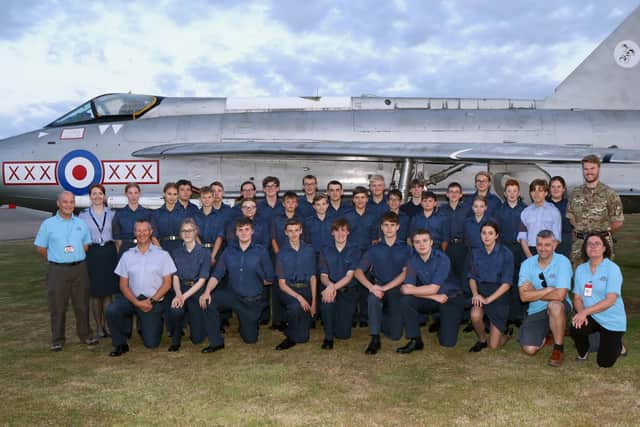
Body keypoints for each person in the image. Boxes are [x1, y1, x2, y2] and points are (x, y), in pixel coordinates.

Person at [199, 218, 274, 353]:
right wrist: (207, 291)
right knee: (208, 301)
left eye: (247, 230)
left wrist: (260, 275)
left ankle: (247, 322)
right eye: (240, 230)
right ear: (236, 233)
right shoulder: (229, 251)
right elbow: (217, 274)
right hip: (232, 296)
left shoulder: (261, 251)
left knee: (250, 339)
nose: (244, 233)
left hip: (251, 300)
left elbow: (269, 279)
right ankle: (216, 342)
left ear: (252, 232)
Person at [35, 191, 97, 351]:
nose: (68, 205)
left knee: (82, 304)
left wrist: (73, 256)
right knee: (58, 305)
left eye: (71, 202)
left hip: (79, 268)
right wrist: (57, 257)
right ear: (58, 204)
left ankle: (86, 335)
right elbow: (41, 247)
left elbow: (86, 245)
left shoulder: (81, 223)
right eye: (65, 202)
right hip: (58, 270)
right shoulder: (48, 224)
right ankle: (57, 339)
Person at [107, 219, 177, 356]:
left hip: (153, 301)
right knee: (112, 310)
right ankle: (120, 344)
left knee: (152, 344)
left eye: (145, 230)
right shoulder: (127, 255)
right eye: (138, 230)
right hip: (132, 299)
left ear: (151, 232)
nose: (141, 233)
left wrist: (150, 301)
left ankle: (149, 322)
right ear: (134, 233)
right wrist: (137, 302)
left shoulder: (162, 255)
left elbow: (167, 283)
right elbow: (123, 284)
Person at [397, 229, 465, 353]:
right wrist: (433, 297)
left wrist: (412, 290)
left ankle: (441, 322)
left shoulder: (442, 258)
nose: (421, 245)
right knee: (406, 300)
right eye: (417, 242)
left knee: (447, 343)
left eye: (424, 241)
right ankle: (415, 340)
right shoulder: (412, 261)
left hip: (451, 298)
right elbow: (407, 288)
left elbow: (433, 288)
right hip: (432, 297)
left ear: (431, 242)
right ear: (413, 244)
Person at [355, 212, 412, 355]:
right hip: (378, 287)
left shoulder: (406, 249)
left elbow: (406, 273)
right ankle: (375, 339)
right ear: (381, 227)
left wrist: (385, 288)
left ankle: (384, 315)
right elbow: (358, 272)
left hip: (395, 290)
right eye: (386, 225)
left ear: (398, 227)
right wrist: (371, 287)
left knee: (395, 335)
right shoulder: (374, 249)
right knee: (372, 299)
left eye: (392, 225)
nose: (389, 229)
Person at [570, 233, 627, 367]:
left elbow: (611, 300)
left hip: (611, 319)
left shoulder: (612, 269)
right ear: (585, 249)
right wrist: (581, 313)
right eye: (589, 244)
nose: (593, 246)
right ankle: (583, 353)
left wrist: (585, 312)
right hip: (591, 316)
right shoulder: (580, 269)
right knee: (576, 326)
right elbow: (577, 298)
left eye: (597, 244)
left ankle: (618, 345)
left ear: (604, 248)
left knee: (604, 363)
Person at [517, 230, 573, 367]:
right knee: (529, 349)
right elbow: (523, 296)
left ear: (554, 245)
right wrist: (548, 290)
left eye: (547, 245)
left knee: (554, 305)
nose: (543, 248)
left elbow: (560, 295)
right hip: (536, 310)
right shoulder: (527, 264)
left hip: (559, 307)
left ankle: (558, 349)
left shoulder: (563, 261)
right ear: (535, 245)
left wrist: (534, 292)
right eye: (539, 244)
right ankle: (548, 332)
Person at [567, 154, 624, 265]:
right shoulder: (575, 193)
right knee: (579, 279)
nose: (589, 172)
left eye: (592, 168)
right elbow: (570, 217)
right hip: (580, 246)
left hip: (601, 246)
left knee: (601, 279)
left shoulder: (609, 194)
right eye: (586, 169)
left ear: (598, 168)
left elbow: (618, 222)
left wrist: (600, 234)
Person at [78, 184, 119, 338]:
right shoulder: (83, 216)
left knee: (108, 293)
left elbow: (116, 237)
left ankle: (108, 325)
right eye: (94, 194)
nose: (97, 196)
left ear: (104, 196)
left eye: (100, 194)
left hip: (109, 252)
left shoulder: (112, 214)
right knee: (96, 294)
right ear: (90, 196)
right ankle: (99, 327)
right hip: (93, 253)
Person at [467, 221, 514, 352]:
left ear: (496, 235)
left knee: (494, 346)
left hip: (499, 295)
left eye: (490, 233)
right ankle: (482, 340)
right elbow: (471, 277)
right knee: (475, 315)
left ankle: (506, 335)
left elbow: (507, 284)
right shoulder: (476, 252)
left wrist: (488, 300)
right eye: (484, 233)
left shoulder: (506, 253)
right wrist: (476, 294)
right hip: (481, 292)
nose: (486, 236)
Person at [167, 219, 211, 351]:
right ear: (180, 234)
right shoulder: (175, 252)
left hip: (197, 290)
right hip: (180, 288)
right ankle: (176, 338)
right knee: (176, 309)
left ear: (195, 232)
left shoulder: (204, 252)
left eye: (190, 231)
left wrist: (184, 297)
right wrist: (178, 294)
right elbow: (175, 276)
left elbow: (202, 280)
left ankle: (194, 325)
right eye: (184, 231)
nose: (187, 234)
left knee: (197, 339)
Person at [274, 219, 317, 350]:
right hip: (289, 290)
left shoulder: (309, 250)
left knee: (303, 338)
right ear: (286, 233)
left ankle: (288, 327)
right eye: (290, 231)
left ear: (301, 231)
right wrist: (299, 298)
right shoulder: (281, 253)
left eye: (296, 230)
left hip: (306, 289)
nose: (293, 234)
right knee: (296, 307)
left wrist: (314, 302)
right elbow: (281, 284)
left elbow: (313, 277)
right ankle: (290, 338)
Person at [318, 218, 360, 349]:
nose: (340, 234)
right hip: (330, 286)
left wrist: (332, 287)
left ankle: (336, 321)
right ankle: (328, 337)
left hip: (347, 291)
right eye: (336, 231)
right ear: (332, 233)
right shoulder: (325, 249)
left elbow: (349, 276)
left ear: (348, 232)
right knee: (327, 300)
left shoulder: (355, 249)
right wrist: (330, 287)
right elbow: (323, 276)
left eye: (343, 230)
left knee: (344, 334)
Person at [344, 186, 378, 326]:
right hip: (351, 254)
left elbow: (376, 239)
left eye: (363, 197)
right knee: (351, 287)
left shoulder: (373, 215)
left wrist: (372, 260)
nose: (360, 200)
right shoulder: (347, 215)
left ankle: (364, 317)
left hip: (367, 255)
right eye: (357, 197)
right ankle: (351, 316)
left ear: (367, 199)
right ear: (353, 199)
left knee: (365, 286)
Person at [495, 179, 527, 326]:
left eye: (515, 191)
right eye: (509, 191)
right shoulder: (499, 210)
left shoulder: (526, 209)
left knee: (520, 281)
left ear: (519, 192)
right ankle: (507, 315)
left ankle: (519, 314)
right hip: (505, 249)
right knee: (507, 281)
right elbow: (496, 232)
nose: (512, 194)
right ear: (505, 193)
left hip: (521, 248)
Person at [517, 179, 562, 258]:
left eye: (540, 190)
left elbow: (556, 237)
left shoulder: (554, 211)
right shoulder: (525, 212)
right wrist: (530, 257)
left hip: (549, 251)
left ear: (546, 193)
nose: (536, 194)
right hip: (530, 251)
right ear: (530, 193)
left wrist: (548, 256)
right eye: (533, 190)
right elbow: (522, 237)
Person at [440, 182, 471, 287]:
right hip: (446, 246)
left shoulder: (467, 209)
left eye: (457, 192)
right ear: (447, 194)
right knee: (447, 275)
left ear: (461, 195)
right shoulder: (441, 209)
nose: (454, 194)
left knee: (463, 274)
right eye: (451, 192)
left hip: (463, 247)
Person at [112, 182, 151, 257]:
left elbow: (151, 234)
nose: (133, 196)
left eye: (136, 193)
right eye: (130, 193)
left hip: (144, 248)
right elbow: (117, 238)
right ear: (126, 194)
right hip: (126, 249)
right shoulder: (119, 214)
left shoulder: (147, 213)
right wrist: (124, 250)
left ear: (139, 194)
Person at [151, 182, 187, 253]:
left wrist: (184, 249)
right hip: (162, 248)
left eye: (175, 194)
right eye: (169, 194)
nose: (172, 197)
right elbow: (153, 236)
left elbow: (189, 233)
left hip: (181, 248)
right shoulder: (156, 214)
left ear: (178, 195)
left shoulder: (184, 213)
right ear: (164, 194)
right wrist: (160, 251)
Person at [195, 187, 225, 266]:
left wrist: (212, 256)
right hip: (199, 251)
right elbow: (195, 235)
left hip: (216, 252)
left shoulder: (220, 216)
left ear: (213, 198)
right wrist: (202, 252)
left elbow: (220, 237)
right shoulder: (195, 215)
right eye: (204, 197)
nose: (207, 200)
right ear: (200, 199)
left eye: (209, 197)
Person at [547, 176, 573, 258]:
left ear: (563, 189)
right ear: (549, 189)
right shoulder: (543, 204)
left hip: (565, 245)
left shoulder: (569, 205)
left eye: (559, 187)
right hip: (546, 244)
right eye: (553, 187)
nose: (556, 189)